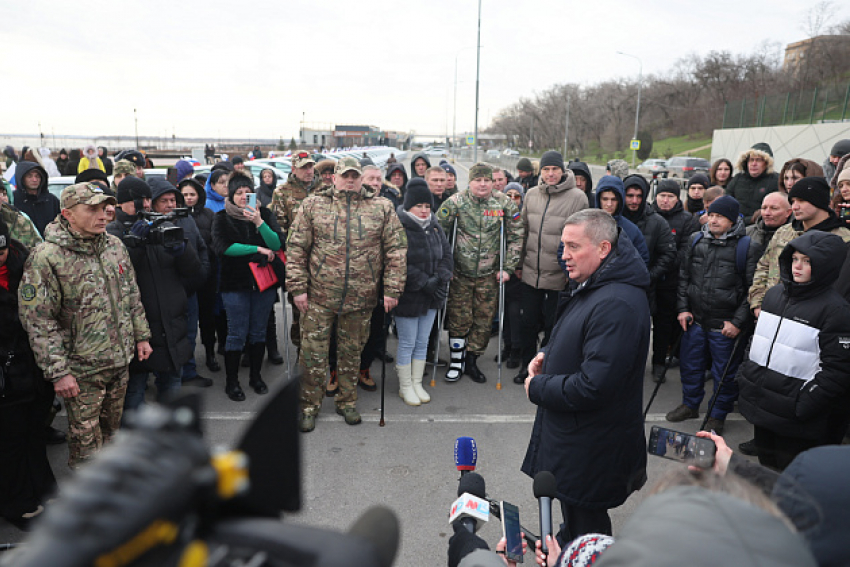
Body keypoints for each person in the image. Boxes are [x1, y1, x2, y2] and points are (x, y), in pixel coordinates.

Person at [522, 209, 649, 543]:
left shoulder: (617, 302)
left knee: (587, 527)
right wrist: (547, 354)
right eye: (563, 246)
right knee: (573, 515)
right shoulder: (595, 284)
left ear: (604, 249)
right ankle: (567, 544)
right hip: (576, 438)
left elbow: (594, 385)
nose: (564, 255)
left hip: (591, 444)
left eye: (573, 247)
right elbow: (577, 332)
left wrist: (538, 387)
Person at [19, 183, 152, 469]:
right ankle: (88, 506)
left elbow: (131, 293)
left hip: (119, 361)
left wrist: (141, 336)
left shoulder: (114, 246)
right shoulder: (46, 257)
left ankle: (111, 495)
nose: (103, 215)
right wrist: (59, 373)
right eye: (92, 209)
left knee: (113, 436)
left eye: (104, 208)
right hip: (81, 371)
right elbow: (39, 320)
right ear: (67, 214)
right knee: (87, 449)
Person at [286, 157, 407, 432]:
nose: (350, 181)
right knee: (313, 354)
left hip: (360, 297)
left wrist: (392, 288)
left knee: (351, 354)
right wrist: (298, 288)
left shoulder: (381, 207)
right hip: (318, 296)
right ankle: (308, 406)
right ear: (334, 177)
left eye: (355, 176)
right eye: (345, 176)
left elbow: (396, 251)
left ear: (362, 178)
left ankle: (347, 401)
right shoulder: (314, 204)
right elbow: (295, 249)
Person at [737, 231, 850, 471]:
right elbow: (758, 340)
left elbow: (838, 370)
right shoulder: (774, 295)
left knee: (791, 480)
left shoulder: (836, 311)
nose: (798, 266)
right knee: (766, 470)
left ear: (826, 265)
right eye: (795, 258)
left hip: (796, 419)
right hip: (763, 408)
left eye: (807, 261)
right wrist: (745, 376)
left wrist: (803, 404)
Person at [107, 177, 204, 410]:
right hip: (139, 329)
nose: (147, 205)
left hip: (172, 325)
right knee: (135, 391)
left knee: (172, 386)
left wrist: (182, 249)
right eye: (141, 200)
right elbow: (115, 278)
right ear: (124, 202)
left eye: (149, 199)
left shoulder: (163, 225)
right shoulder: (112, 233)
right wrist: (134, 245)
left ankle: (169, 436)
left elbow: (195, 272)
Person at [667, 196, 760, 434]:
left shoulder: (747, 246)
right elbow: (684, 278)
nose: (713, 220)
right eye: (711, 214)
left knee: (725, 373)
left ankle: (716, 415)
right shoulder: (696, 239)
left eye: (720, 216)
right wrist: (683, 309)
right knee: (690, 366)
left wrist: (738, 322)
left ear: (733, 220)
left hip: (725, 325)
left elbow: (752, 289)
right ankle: (690, 404)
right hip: (695, 320)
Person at [437, 163, 523, 383]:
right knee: (458, 318)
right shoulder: (456, 202)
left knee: (484, 321)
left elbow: (516, 236)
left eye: (487, 180)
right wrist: (445, 267)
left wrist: (508, 268)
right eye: (478, 180)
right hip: (460, 274)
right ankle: (456, 360)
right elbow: (438, 233)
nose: (483, 184)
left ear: (492, 182)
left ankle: (471, 360)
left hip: (489, 274)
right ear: (470, 182)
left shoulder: (503, 203)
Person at [514, 151, 588, 385]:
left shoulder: (577, 197)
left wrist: (572, 272)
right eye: (546, 169)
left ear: (563, 170)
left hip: (559, 274)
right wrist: (517, 262)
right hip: (530, 272)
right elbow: (522, 230)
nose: (550, 174)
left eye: (555, 169)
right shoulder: (532, 194)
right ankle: (527, 365)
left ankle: (547, 365)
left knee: (552, 325)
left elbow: (580, 238)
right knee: (528, 323)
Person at [0, 219, 55, 531]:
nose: (0, 257)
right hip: (6, 378)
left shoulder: (25, 267)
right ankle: (17, 503)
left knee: (34, 433)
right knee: (10, 441)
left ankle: (44, 491)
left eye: (3, 250)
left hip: (32, 369)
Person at [212, 175, 285, 401]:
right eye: (239, 193)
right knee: (236, 333)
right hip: (235, 285)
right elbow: (223, 247)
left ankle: (256, 376)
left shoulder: (266, 215)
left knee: (258, 331)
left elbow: (276, 243)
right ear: (231, 196)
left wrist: (259, 223)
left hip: (263, 285)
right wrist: (257, 249)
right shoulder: (222, 218)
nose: (244, 197)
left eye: (247, 192)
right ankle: (232, 382)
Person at [749, 177, 850, 316]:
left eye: (801, 201)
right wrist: (758, 304)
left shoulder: (843, 237)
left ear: (819, 201)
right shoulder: (784, 232)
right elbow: (763, 266)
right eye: (793, 201)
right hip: (773, 311)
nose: (795, 206)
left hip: (813, 317)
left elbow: (841, 286)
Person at [148, 177, 213, 388]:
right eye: (164, 201)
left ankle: (189, 372)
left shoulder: (186, 220)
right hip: (164, 296)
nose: (170, 205)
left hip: (190, 290)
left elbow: (201, 247)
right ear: (152, 203)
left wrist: (202, 273)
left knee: (189, 336)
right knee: (166, 341)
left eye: (173, 200)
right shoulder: (148, 226)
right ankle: (166, 378)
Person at [393, 180, 453, 405]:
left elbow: (447, 254)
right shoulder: (400, 226)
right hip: (410, 294)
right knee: (408, 342)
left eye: (427, 205)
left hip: (432, 293)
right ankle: (405, 385)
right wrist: (422, 281)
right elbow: (399, 261)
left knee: (423, 341)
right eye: (419, 205)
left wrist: (439, 277)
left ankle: (417, 382)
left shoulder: (435, 225)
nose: (424, 209)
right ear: (409, 206)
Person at [648, 180, 699, 381]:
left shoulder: (687, 220)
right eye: (662, 196)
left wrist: (661, 266)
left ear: (678, 198)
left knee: (664, 324)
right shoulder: (648, 215)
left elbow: (685, 251)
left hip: (670, 282)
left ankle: (659, 362)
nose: (665, 200)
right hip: (647, 278)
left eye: (670, 196)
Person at [356, 165, 402, 389]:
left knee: (375, 330)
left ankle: (364, 369)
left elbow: (396, 248)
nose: (376, 183)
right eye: (371, 178)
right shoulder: (348, 204)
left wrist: (391, 287)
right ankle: (337, 372)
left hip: (376, 282)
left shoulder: (386, 207)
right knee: (345, 334)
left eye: (378, 179)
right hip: (348, 283)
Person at [270, 151, 318, 362]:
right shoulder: (282, 193)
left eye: (311, 167)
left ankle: (318, 353)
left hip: (323, 262)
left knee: (320, 311)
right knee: (300, 310)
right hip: (298, 261)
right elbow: (280, 229)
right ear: (293, 169)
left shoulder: (323, 190)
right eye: (304, 167)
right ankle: (301, 352)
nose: (309, 171)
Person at [180, 178, 221, 373]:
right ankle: (187, 362)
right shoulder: (174, 216)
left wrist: (205, 264)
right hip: (184, 278)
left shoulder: (209, 215)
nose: (188, 198)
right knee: (186, 321)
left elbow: (214, 242)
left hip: (207, 275)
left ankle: (210, 353)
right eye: (185, 195)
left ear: (199, 195)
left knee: (207, 318)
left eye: (192, 194)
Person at [622, 174, 677, 310]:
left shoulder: (657, 222)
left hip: (643, 290)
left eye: (639, 196)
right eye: (630, 195)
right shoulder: (613, 219)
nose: (634, 201)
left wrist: (649, 275)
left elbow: (668, 253)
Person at [591, 175, 650, 266]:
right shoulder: (586, 224)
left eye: (614, 199)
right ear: (599, 199)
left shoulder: (632, 230)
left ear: (620, 200)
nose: (609, 204)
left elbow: (642, 261)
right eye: (605, 199)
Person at [499, 183, 525, 369]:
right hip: (500, 269)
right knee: (504, 311)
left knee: (515, 313)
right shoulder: (499, 213)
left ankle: (516, 347)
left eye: (517, 196)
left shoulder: (522, 216)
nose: (513, 199)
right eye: (509, 195)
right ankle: (507, 345)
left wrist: (520, 264)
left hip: (517, 270)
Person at [726, 143, 780, 224]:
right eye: (751, 160)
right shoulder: (737, 179)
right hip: (736, 225)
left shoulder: (776, 180)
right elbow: (726, 202)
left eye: (758, 160)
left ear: (767, 163)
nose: (753, 164)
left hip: (764, 226)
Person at [12, 161, 60, 236]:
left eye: (37, 176)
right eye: (30, 176)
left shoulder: (51, 200)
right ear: (22, 178)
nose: (34, 180)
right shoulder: (13, 200)